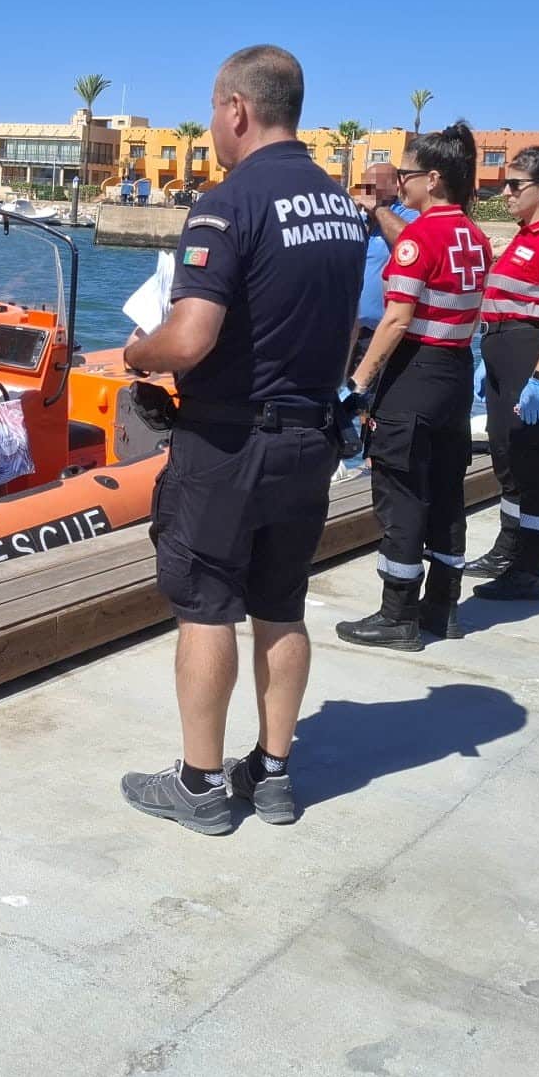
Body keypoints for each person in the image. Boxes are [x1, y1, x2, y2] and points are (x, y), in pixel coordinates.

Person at [117, 45, 363, 834]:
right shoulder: (342, 208)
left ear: (236, 110)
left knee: (207, 607)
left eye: (212, 113)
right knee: (282, 606)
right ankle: (277, 772)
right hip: (309, 438)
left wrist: (136, 352)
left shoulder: (230, 202)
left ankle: (199, 785)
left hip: (230, 444)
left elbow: (189, 339)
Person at [339, 121, 489, 651]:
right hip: (454, 374)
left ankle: (397, 614)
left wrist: (356, 384)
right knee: (447, 493)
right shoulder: (476, 237)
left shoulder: (419, 238)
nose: (399, 184)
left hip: (416, 374)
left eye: (405, 175)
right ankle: (442, 608)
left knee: (400, 492)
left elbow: (397, 320)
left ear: (432, 178)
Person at [467, 146, 539, 599]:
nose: (506, 194)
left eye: (515, 185)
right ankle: (508, 546)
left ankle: (530, 565)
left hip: (530, 354)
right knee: (504, 455)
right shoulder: (526, 234)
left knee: (533, 462)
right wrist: (488, 357)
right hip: (502, 351)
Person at [351, 161, 417, 348]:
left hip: (386, 333)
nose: (366, 190)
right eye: (364, 184)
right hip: (353, 330)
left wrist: (378, 209)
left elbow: (410, 243)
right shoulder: (360, 219)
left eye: (374, 184)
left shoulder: (408, 215)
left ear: (394, 186)